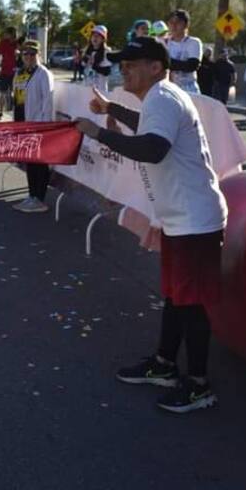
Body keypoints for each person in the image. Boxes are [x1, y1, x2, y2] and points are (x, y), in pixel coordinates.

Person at [70, 36, 227, 414]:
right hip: (179, 217)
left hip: (194, 219)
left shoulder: (165, 97)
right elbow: (149, 129)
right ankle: (165, 364)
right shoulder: (160, 100)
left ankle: (199, 385)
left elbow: (153, 148)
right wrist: (112, 109)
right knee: (175, 296)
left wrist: (98, 131)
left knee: (191, 304)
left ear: (156, 67)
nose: (123, 68)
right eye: (122, 63)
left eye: (132, 63)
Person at [11, 40, 55, 213]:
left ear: (39, 55)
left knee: (39, 162)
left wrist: (44, 126)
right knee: (30, 161)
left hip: (38, 124)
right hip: (22, 121)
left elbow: (48, 101)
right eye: (25, 54)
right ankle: (31, 195)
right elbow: (16, 98)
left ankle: (40, 198)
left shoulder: (43, 74)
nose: (29, 57)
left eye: (32, 53)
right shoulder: (20, 73)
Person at [165, 9, 203, 95]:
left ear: (185, 25)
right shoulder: (164, 43)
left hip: (188, 88)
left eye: (178, 22)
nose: (174, 26)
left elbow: (191, 66)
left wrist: (166, 62)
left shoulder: (193, 42)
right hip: (169, 89)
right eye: (171, 22)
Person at [0, 27, 19, 120]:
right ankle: (0, 112)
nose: (4, 35)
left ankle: (15, 113)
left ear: (11, 34)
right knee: (2, 93)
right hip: (4, 71)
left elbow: (22, 58)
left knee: (15, 93)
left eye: (6, 33)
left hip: (15, 72)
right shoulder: (3, 42)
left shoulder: (18, 44)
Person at [81, 25, 113, 91]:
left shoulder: (107, 52)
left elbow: (107, 72)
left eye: (98, 36)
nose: (95, 38)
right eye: (93, 35)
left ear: (103, 39)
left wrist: (94, 65)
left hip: (100, 89)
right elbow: (83, 69)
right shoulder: (87, 51)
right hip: (86, 88)